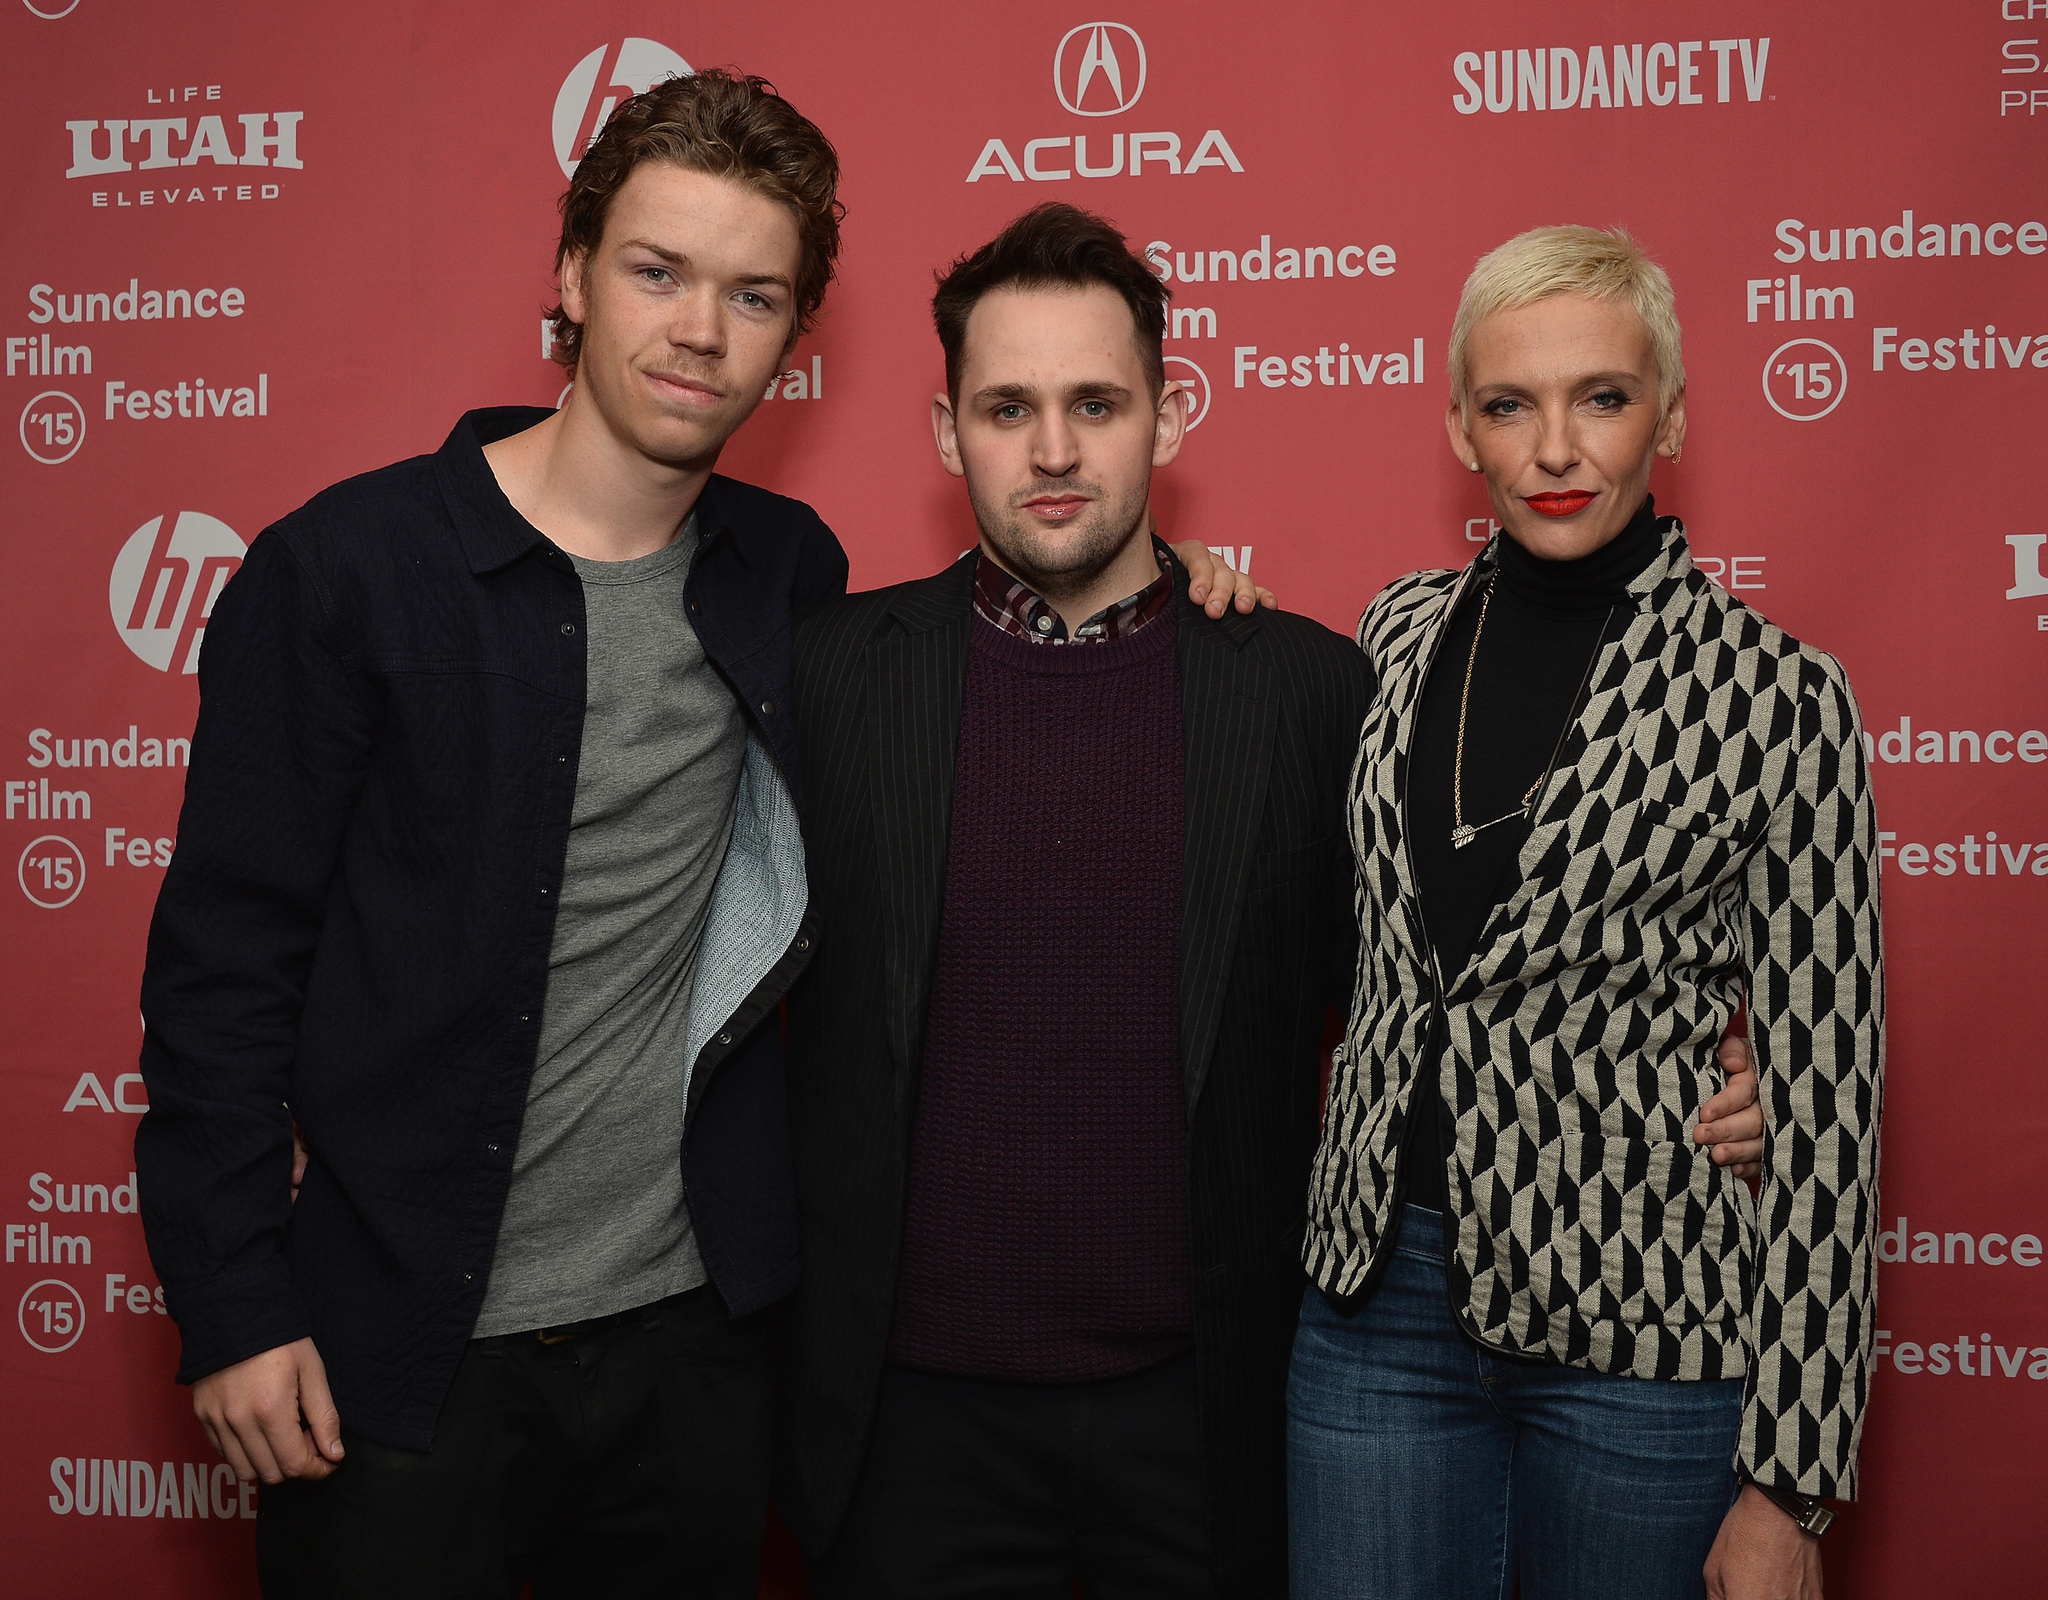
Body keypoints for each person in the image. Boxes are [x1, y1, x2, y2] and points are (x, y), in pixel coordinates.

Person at [132, 74, 1264, 1599]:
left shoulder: (787, 580)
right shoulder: (345, 573)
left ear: (796, 338)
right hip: (394, 1357)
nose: (698, 332)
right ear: (571, 274)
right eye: (658, 273)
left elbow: (1034, 597)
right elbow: (221, 969)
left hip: (703, 1360)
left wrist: (1169, 586)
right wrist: (233, 1303)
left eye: (753, 295)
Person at [773, 205, 1768, 1599]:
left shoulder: (1306, 689)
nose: (1053, 451)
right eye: (1008, 408)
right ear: (947, 433)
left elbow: (1447, 990)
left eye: (1097, 403)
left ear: (1170, 416)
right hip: (900, 1431)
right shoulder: (828, 676)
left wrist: (1732, 1064)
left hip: (1204, 1422)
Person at [1289, 225, 1885, 1600]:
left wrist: (1792, 1482)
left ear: (1669, 412)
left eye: (1602, 398)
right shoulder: (1393, 632)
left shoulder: (1779, 700)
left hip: (1649, 1343)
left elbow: (1831, 1110)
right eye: (1512, 403)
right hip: (1378, 1312)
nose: (1557, 447)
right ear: (1460, 427)